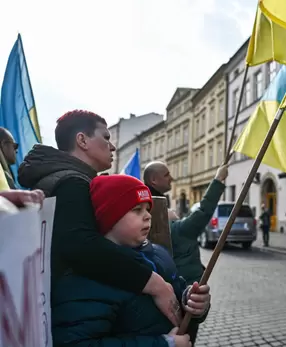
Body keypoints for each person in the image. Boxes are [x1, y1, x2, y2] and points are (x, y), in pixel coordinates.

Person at [18, 110, 180, 326]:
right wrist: (153, 282)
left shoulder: (60, 177)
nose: (112, 146)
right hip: (75, 314)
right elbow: (81, 247)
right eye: (105, 138)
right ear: (82, 140)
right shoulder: (72, 183)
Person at [52, 174, 211, 346]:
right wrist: (164, 343)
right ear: (109, 216)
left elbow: (175, 293)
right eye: (137, 210)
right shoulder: (86, 278)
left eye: (147, 209)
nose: (148, 216)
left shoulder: (158, 254)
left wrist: (193, 303)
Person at [143, 160, 227, 345]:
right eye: (166, 175)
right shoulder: (174, 227)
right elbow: (202, 213)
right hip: (183, 304)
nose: (171, 178)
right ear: (154, 180)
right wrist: (218, 180)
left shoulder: (142, 213)